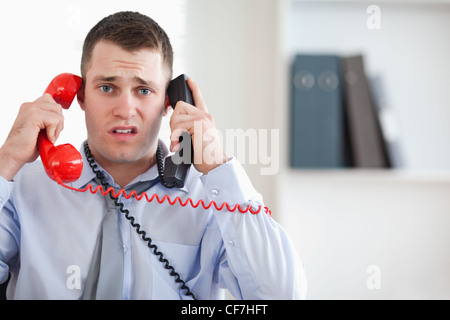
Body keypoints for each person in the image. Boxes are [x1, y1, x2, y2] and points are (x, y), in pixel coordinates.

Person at [0, 11, 306, 299]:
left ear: (170, 102)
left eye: (144, 90)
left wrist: (218, 167)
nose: (125, 110)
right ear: (79, 97)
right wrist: (6, 162)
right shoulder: (24, 187)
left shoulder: (213, 198)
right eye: (107, 87)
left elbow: (281, 294)